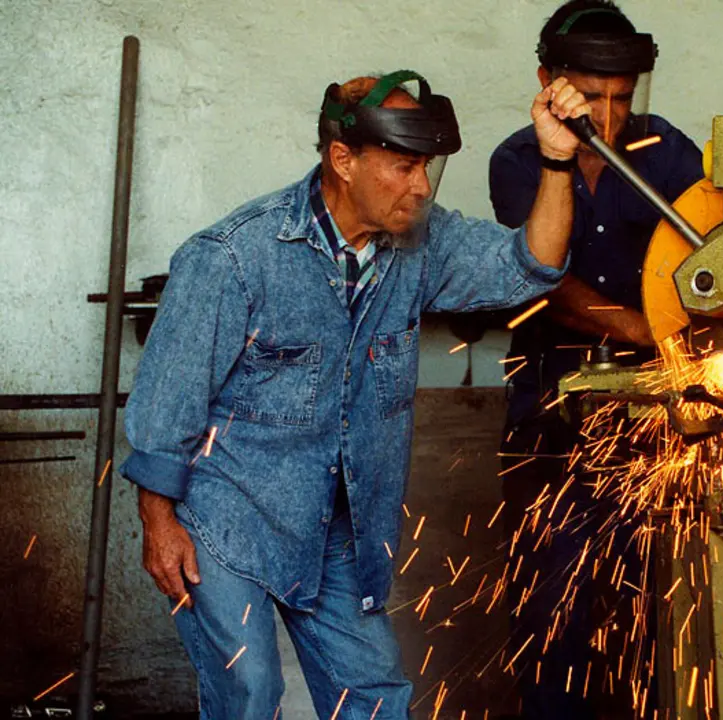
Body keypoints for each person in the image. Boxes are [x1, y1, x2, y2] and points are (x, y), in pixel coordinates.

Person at [121, 69, 590, 719]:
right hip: (226, 520)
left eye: (426, 167)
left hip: (337, 526)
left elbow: (531, 264)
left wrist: (557, 160)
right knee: (250, 690)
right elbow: (168, 402)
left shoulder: (420, 244)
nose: (421, 186)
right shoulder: (234, 255)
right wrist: (158, 523)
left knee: (374, 696)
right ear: (343, 159)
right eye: (403, 166)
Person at [489, 2, 705, 716]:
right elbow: (545, 281)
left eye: (623, 98)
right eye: (594, 97)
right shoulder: (520, 160)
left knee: (656, 590)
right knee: (554, 592)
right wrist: (644, 329)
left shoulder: (669, 154)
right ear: (550, 81)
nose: (610, 119)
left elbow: (709, 257)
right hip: (553, 403)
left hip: (653, 408)